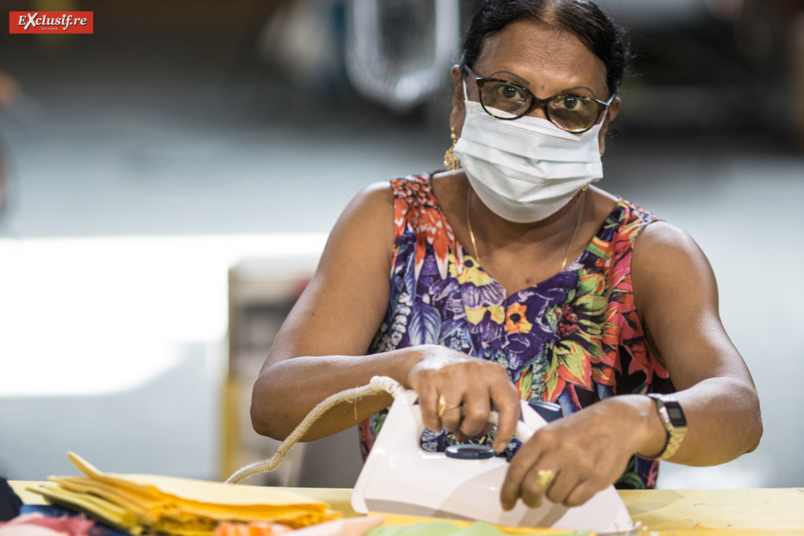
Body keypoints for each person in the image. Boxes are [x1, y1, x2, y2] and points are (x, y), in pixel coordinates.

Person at [251, 0, 762, 510]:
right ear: (461, 96)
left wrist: (642, 418)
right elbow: (274, 403)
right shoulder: (390, 220)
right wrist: (410, 364)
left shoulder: (647, 254)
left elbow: (739, 413)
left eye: (572, 104)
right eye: (509, 92)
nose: (536, 126)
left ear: (604, 124)